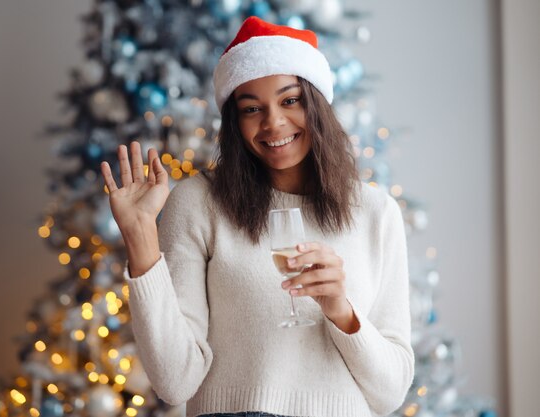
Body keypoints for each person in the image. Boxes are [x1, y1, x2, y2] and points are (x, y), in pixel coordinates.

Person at [100, 16, 414, 417]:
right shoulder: (199, 203)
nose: (273, 123)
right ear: (235, 122)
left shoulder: (375, 213)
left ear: (315, 103)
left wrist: (341, 310)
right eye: (252, 109)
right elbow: (175, 382)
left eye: (290, 100)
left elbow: (390, 394)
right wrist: (141, 235)